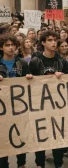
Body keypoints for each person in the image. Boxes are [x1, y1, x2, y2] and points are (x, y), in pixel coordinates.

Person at [29, 30, 68, 168]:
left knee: (57, 133)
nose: (53, 43)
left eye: (55, 40)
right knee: (40, 133)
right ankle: (39, 163)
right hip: (40, 104)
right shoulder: (35, 61)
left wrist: (64, 76)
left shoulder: (62, 61)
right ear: (43, 43)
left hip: (58, 104)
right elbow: (29, 85)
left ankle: (59, 163)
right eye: (50, 40)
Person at [0, 34, 32, 168]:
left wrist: (30, 78)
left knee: (20, 135)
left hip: (19, 106)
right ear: (1, 47)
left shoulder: (22, 63)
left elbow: (29, 82)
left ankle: (21, 163)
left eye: (13, 45)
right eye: (7, 45)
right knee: (3, 137)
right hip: (2, 108)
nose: (11, 48)